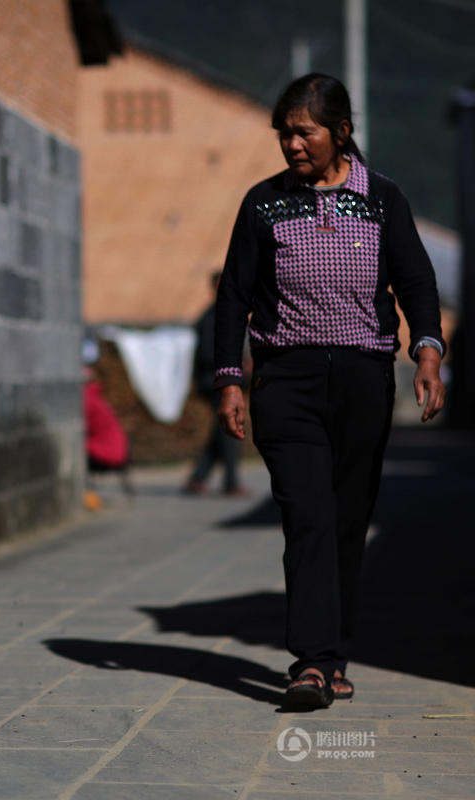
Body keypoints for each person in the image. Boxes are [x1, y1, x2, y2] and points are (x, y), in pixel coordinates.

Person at [213, 74, 446, 709]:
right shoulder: (263, 204)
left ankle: (336, 651)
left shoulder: (383, 200)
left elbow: (416, 283)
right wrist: (230, 380)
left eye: (304, 132)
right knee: (308, 515)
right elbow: (233, 297)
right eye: (284, 133)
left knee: (347, 520)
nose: (291, 145)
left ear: (341, 132)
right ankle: (311, 663)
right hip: (285, 380)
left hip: (364, 378)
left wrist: (427, 351)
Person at [183, 271, 246, 496]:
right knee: (229, 430)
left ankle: (197, 478)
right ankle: (231, 481)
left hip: (218, 380)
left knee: (222, 431)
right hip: (214, 381)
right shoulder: (212, 317)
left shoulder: (224, 314)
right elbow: (208, 354)